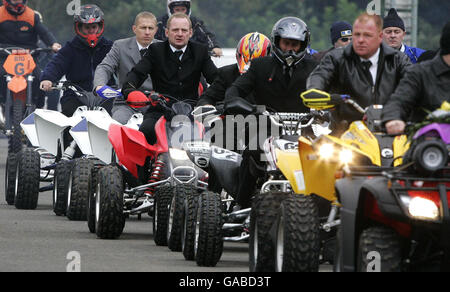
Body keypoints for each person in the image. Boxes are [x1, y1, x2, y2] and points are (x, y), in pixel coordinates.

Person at [224, 17, 319, 208]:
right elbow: (234, 91)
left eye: (295, 44)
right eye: (286, 43)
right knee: (252, 151)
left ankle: (323, 207)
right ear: (277, 42)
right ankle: (240, 204)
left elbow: (329, 92)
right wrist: (246, 107)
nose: (290, 49)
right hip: (267, 128)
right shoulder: (260, 66)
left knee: (329, 156)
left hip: (305, 130)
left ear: (303, 45)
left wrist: (329, 109)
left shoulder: (314, 68)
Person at [122, 12, 217, 144]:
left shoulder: (200, 51)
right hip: (160, 110)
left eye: (184, 30)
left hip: (194, 111)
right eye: (175, 30)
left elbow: (217, 80)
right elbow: (135, 75)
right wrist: (131, 91)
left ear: (190, 33)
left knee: (217, 134)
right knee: (146, 131)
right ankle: (148, 165)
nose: (179, 33)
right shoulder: (155, 50)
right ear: (167, 32)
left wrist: (215, 99)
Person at [307, 12, 411, 124]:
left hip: (390, 126)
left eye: (368, 35)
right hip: (345, 128)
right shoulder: (336, 58)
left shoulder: (398, 59)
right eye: (357, 35)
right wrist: (314, 90)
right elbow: (321, 75)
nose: (361, 40)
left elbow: (413, 79)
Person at [40, 4, 114, 118]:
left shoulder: (110, 47)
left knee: (115, 114)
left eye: (93, 27)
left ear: (100, 27)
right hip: (75, 94)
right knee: (68, 114)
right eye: (87, 27)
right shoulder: (70, 48)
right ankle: (68, 136)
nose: (91, 31)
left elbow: (124, 65)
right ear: (79, 28)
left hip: (105, 93)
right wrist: (47, 79)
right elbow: (56, 64)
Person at [383, 21, 450, 135]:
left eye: (396, 32)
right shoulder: (420, 73)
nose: (393, 35)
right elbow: (399, 100)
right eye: (389, 32)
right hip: (427, 143)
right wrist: (393, 119)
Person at [94, 11, 160, 124]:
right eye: (143, 28)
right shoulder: (120, 46)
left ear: (156, 30)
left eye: (151, 28)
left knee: (166, 127)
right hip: (125, 104)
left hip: (155, 103)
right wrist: (99, 85)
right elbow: (105, 67)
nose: (147, 32)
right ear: (134, 29)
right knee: (118, 125)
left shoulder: (164, 49)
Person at [0, 0, 61, 108]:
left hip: (28, 56)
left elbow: (44, 32)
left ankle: (38, 108)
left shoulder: (32, 15)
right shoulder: (0, 14)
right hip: (4, 54)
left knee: (41, 78)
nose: (18, 2)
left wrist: (53, 43)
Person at [197, 32, 271, 106]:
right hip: (231, 116)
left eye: (253, 61)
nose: (248, 65)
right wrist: (207, 105)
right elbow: (207, 98)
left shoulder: (273, 76)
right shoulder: (226, 74)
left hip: (264, 116)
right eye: (246, 60)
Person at [155, 0, 223, 57]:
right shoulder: (160, 23)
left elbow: (208, 36)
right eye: (177, 10)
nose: (180, 12)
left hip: (192, 60)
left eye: (183, 9)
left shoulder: (196, 23)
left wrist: (214, 47)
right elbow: (151, 40)